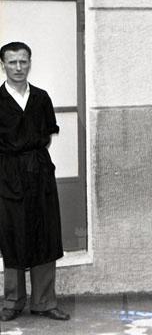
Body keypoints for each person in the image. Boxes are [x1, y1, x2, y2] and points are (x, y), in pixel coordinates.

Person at [0, 41, 69, 321]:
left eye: (23, 61)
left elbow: (47, 136)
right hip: (7, 175)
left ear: (30, 63)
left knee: (45, 234)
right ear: (3, 65)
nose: (18, 67)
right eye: (12, 62)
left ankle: (44, 302)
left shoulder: (41, 98)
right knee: (12, 235)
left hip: (40, 173)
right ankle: (12, 302)